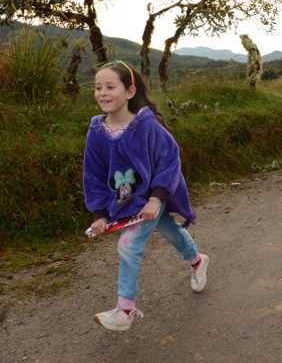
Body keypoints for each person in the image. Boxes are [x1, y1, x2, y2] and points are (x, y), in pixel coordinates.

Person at [83, 61, 209, 331]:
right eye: (97, 87)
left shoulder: (147, 126)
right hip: (128, 199)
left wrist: (156, 199)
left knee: (128, 245)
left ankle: (125, 310)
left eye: (110, 87)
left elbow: (169, 159)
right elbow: (93, 175)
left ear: (129, 91)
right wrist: (100, 214)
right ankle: (198, 261)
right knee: (171, 232)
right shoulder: (96, 132)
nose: (102, 93)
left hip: (155, 193)